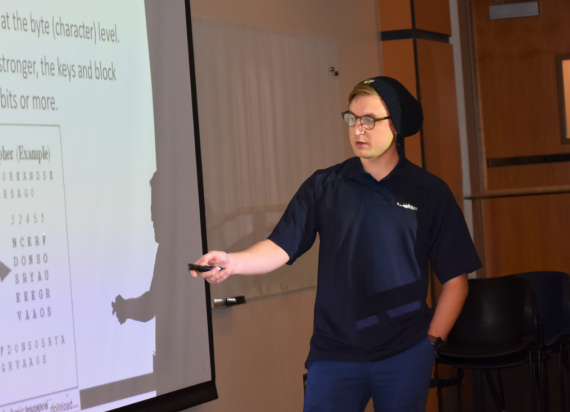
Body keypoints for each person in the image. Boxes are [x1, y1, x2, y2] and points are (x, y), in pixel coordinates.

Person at [192, 76, 481, 412]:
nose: (358, 129)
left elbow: (457, 280)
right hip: (334, 355)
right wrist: (234, 262)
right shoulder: (324, 186)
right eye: (352, 118)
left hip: (404, 353)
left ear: (397, 126)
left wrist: (429, 344)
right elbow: (280, 245)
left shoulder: (429, 192)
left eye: (370, 120)